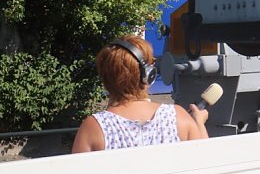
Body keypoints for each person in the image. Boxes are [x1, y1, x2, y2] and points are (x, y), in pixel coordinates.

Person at [72, 35, 209, 153]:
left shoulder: (93, 128)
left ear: (105, 79)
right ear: (148, 75)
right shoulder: (179, 117)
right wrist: (198, 124)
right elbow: (204, 163)